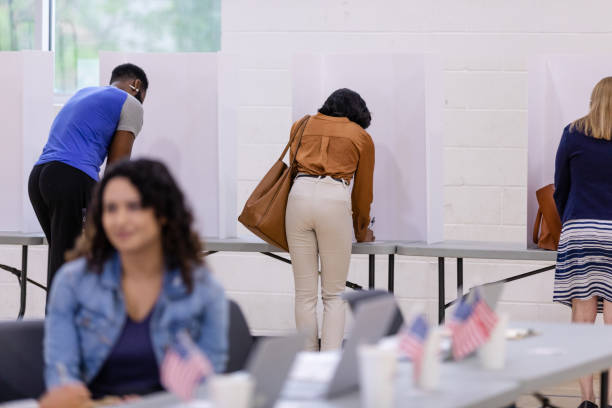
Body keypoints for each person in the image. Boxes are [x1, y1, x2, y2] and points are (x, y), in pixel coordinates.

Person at [43, 159, 228, 400]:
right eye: (111, 209)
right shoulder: (72, 283)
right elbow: (61, 378)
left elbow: (206, 389)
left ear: (162, 214)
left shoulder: (203, 289)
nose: (120, 220)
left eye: (133, 207)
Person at [28, 63, 148, 289]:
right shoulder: (131, 104)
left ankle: (59, 322)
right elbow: (116, 169)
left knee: (64, 263)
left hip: (39, 178)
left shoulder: (83, 93)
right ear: (137, 86)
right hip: (70, 178)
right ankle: (65, 323)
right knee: (74, 269)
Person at [286, 88, 375, 351]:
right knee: (334, 295)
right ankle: (327, 365)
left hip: (298, 196)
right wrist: (362, 231)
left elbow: (291, 170)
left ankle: (306, 363)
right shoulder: (360, 136)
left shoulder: (300, 125)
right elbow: (362, 193)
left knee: (304, 295)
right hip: (334, 199)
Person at [553, 76, 612, 408]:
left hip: (580, 231)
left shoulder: (573, 133)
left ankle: (588, 399)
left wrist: (572, 221)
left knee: (583, 322)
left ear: (593, 100)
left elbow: (560, 186)